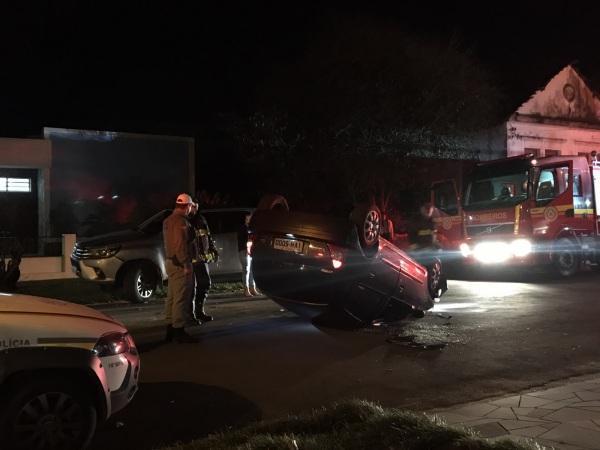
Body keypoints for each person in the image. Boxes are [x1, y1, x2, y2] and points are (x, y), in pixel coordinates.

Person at [163, 193, 198, 343]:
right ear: (188, 206)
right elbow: (180, 244)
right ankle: (179, 330)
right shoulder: (180, 221)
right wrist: (186, 264)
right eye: (191, 207)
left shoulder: (168, 220)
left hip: (170, 262)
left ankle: (170, 329)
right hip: (179, 264)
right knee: (181, 298)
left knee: (171, 297)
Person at [188, 200, 219, 322]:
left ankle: (199, 311)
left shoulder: (201, 219)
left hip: (202, 259)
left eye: (196, 205)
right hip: (192, 260)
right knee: (192, 288)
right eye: (192, 205)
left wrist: (213, 250)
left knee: (205, 284)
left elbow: (207, 236)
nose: (194, 208)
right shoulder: (187, 221)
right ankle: (192, 314)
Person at [238, 213, 259, 296]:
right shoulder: (242, 228)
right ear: (245, 219)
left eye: (250, 219)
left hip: (252, 251)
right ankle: (246, 289)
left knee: (252, 270)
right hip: (244, 250)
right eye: (247, 219)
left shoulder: (252, 228)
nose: (249, 220)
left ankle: (252, 288)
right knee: (246, 270)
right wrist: (247, 247)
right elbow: (242, 240)